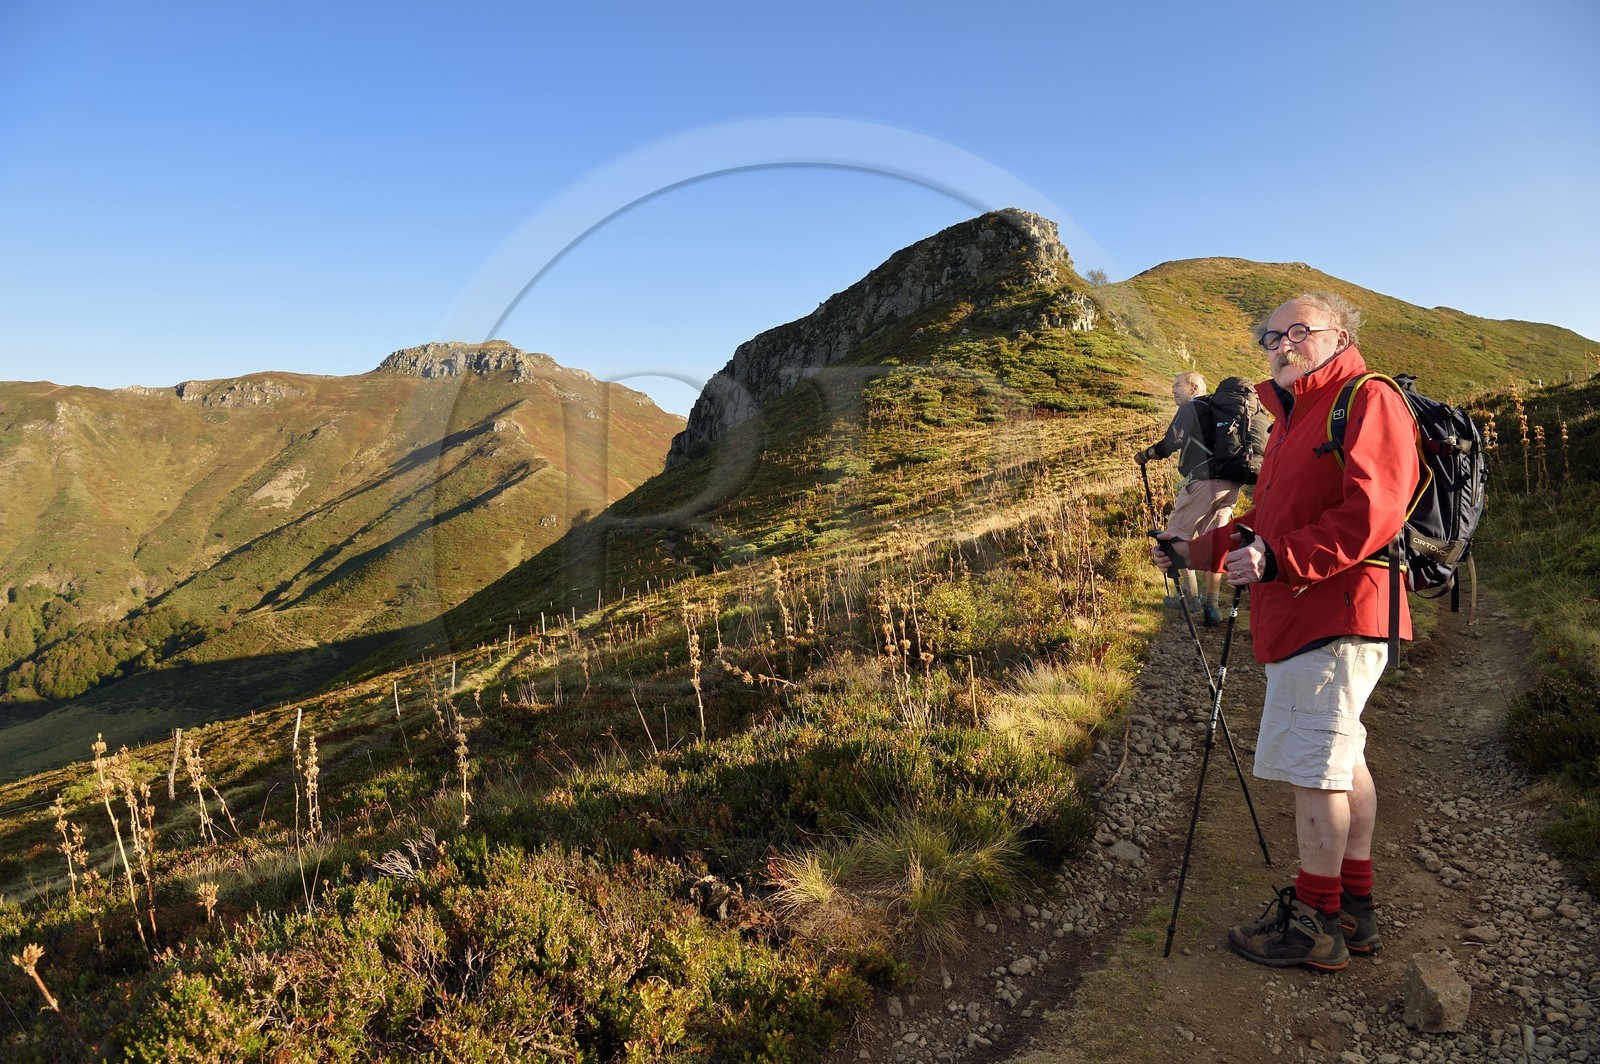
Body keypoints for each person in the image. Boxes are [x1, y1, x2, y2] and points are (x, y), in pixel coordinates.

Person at [1152, 291, 1420, 972]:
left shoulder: (1366, 398)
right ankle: (1352, 909)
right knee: (1342, 762)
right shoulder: (1293, 419)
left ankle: (1315, 924)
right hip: (1314, 613)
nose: (1283, 345)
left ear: (1340, 337)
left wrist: (1282, 560)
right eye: (1271, 337)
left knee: (1315, 770)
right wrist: (1192, 551)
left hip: (1334, 612)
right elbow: (1265, 529)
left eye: (1300, 331)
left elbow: (1375, 511)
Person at [1136, 371, 1240, 626]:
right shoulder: (1220, 411)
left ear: (1194, 388)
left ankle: (1192, 598)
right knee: (1214, 542)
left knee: (1175, 536)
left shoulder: (1193, 406)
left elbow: (1171, 442)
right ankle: (1212, 607)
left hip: (1203, 483)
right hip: (1231, 484)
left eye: (1177, 385)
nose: (1172, 390)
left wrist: (1146, 454)